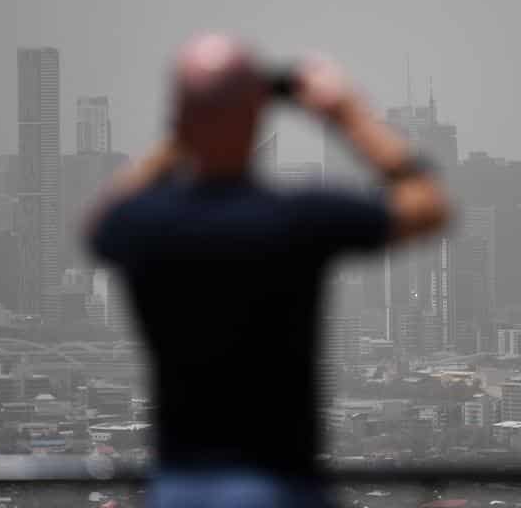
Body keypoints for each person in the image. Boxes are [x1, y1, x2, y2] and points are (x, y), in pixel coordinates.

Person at [85, 34, 450, 508]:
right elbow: (427, 206)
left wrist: (191, 127)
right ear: (256, 117)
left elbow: (99, 219)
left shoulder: (145, 225)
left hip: (179, 489)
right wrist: (349, 116)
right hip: (281, 487)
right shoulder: (297, 218)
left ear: (180, 115)